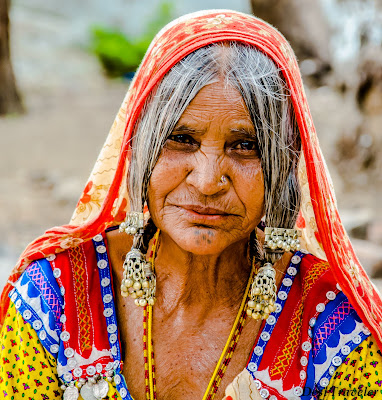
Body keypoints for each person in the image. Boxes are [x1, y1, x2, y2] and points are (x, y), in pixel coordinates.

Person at [0, 9, 381, 400]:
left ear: (283, 164)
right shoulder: (53, 298)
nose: (206, 181)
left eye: (245, 146)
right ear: (139, 148)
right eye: (182, 139)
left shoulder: (332, 325)